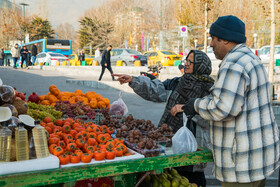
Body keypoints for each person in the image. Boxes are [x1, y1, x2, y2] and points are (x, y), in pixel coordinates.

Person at [171, 15, 280, 187]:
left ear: (226, 40)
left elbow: (223, 108)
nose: (211, 44)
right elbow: (229, 99)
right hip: (256, 160)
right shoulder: (250, 58)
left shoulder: (234, 64)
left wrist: (196, 105)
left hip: (241, 166)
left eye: (214, 39)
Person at [113, 50, 214, 187]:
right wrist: (133, 80)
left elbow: (211, 115)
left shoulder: (210, 90)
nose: (187, 64)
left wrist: (187, 108)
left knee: (192, 180)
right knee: (170, 179)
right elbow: (157, 89)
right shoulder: (179, 82)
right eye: (187, 60)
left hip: (194, 147)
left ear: (200, 66)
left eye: (191, 61)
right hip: (169, 143)